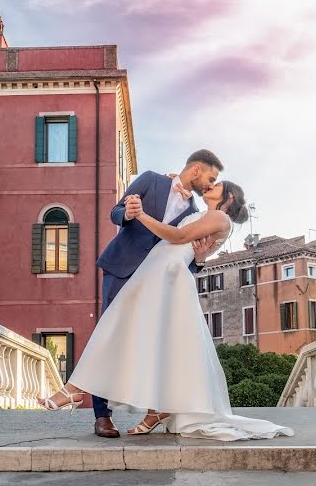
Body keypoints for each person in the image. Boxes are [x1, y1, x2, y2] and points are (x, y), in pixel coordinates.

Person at [39, 179, 293, 441]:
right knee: (150, 340)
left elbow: (179, 236)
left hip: (166, 276)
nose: (210, 186)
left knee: (119, 328)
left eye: (217, 186)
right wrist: (180, 193)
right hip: (157, 273)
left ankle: (75, 389)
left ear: (228, 198)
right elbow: (193, 246)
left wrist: (141, 215)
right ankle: (150, 408)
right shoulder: (201, 214)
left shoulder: (219, 217)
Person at [81, 149, 224, 438]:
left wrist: (199, 260)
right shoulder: (150, 180)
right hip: (121, 269)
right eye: (210, 177)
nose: (210, 185)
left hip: (154, 283)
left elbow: (182, 255)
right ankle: (102, 416)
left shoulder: (196, 213)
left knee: (149, 342)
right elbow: (115, 212)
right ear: (196, 169)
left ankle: (151, 408)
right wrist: (128, 214)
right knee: (109, 335)